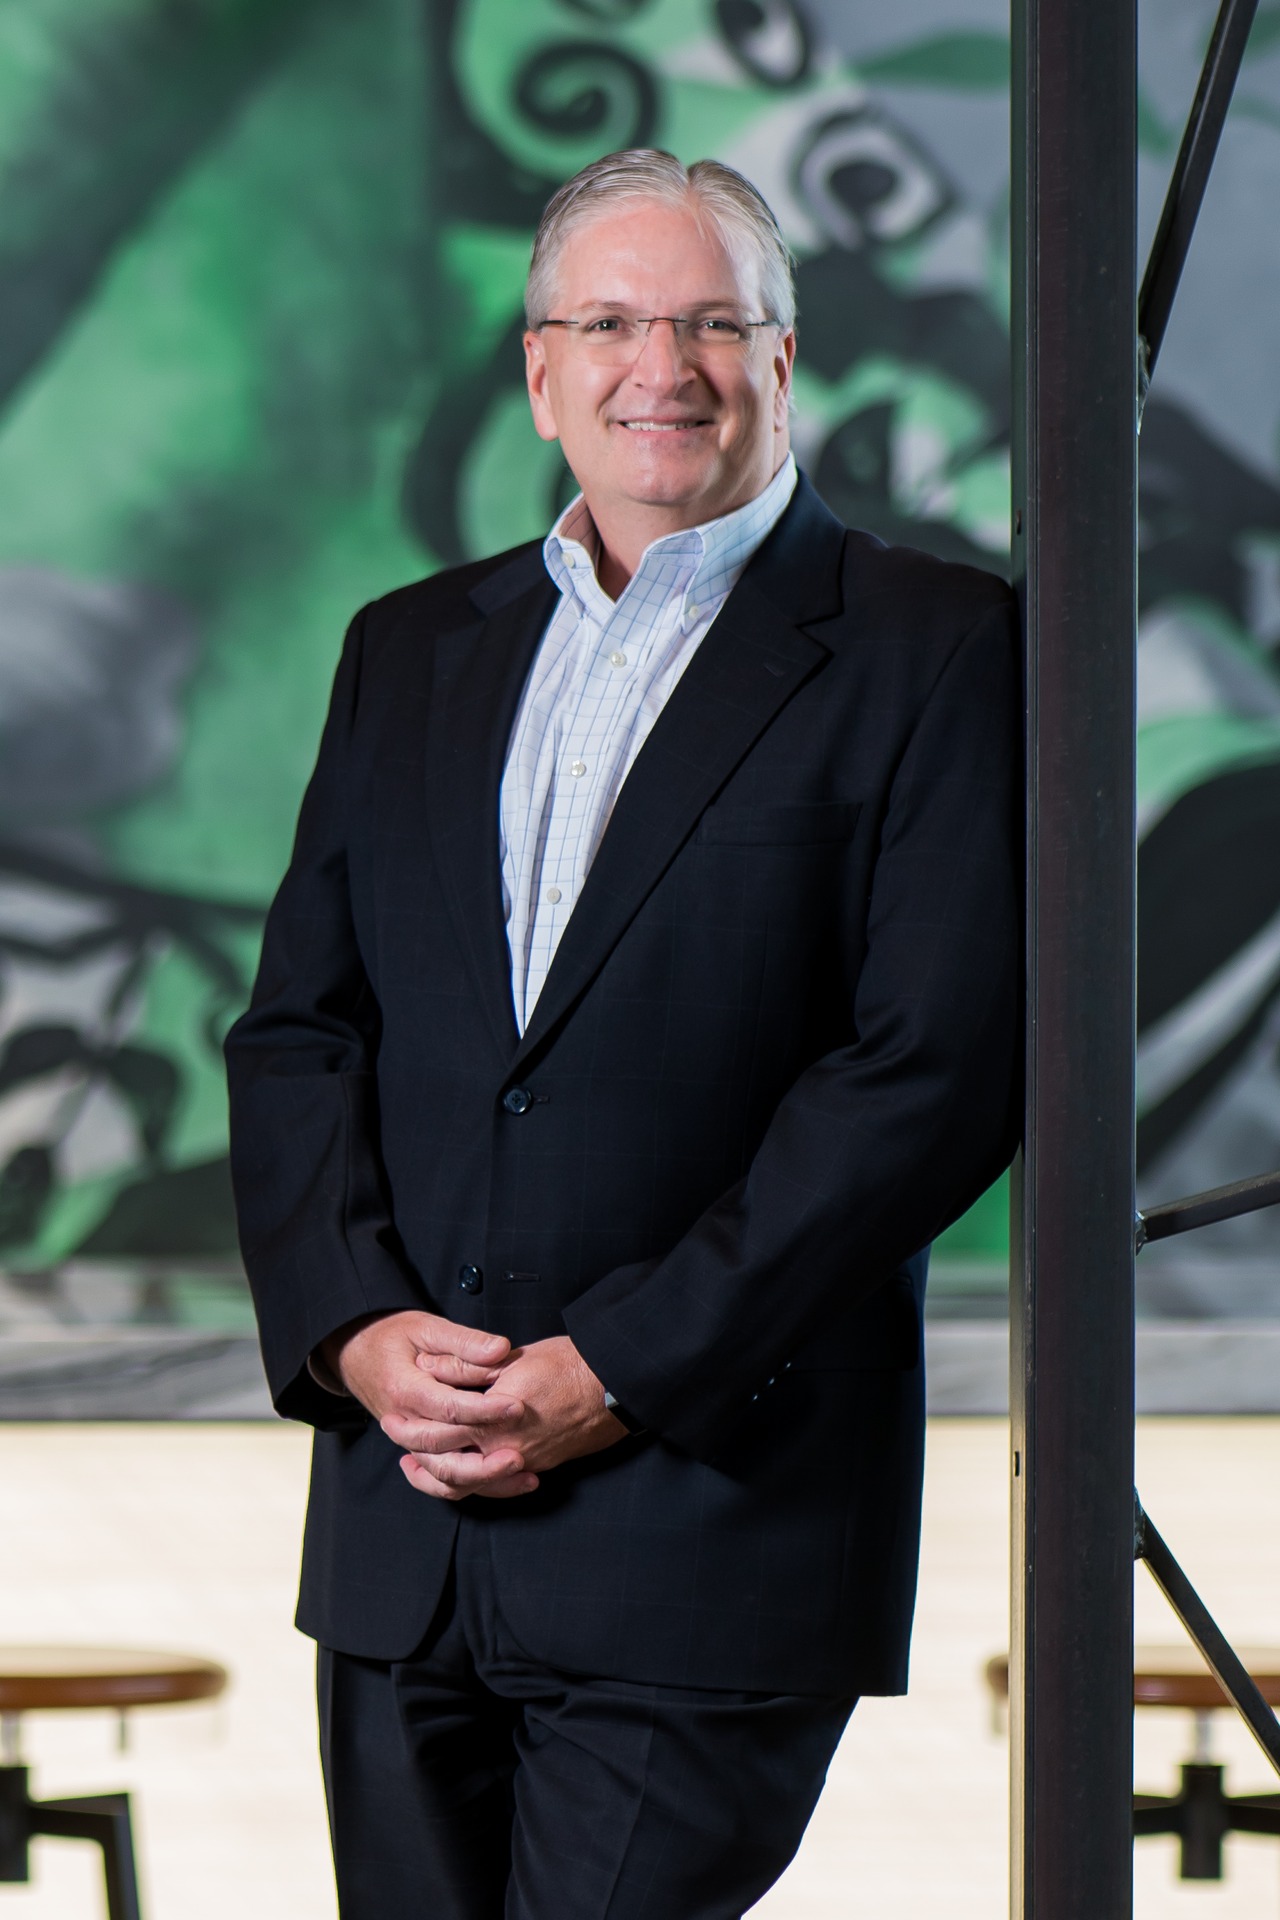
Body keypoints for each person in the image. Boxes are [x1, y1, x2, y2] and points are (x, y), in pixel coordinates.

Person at [225, 148, 1021, 1920]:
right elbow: (298, 1032)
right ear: (537, 369)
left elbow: (930, 1075)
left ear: (785, 358)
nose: (658, 364)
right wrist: (350, 1326)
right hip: (404, 1533)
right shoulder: (408, 650)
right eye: (608, 321)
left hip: (707, 1522)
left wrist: (625, 1366)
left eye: (711, 321)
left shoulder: (939, 649)